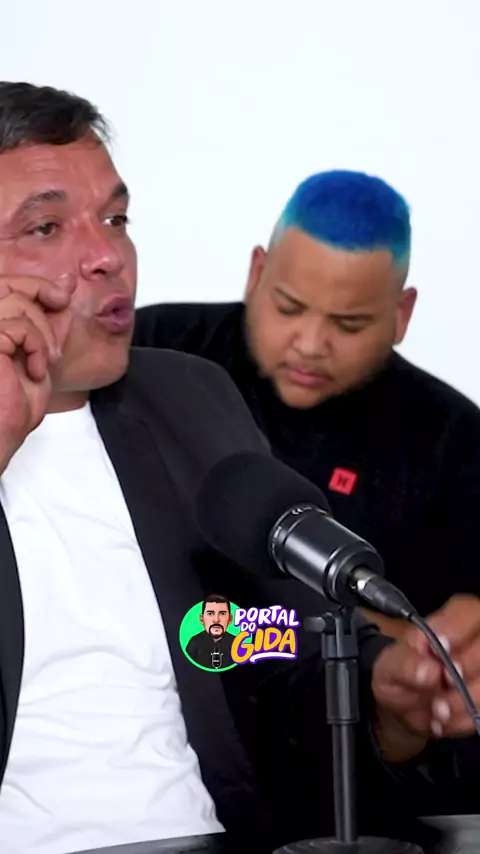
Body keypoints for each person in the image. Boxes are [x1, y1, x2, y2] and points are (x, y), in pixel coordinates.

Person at [0, 81, 477, 854]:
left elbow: (269, 650)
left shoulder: (186, 397)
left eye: (116, 220)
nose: (107, 256)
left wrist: (384, 697)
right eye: (47, 227)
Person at [134, 169, 480, 637]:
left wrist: (435, 650)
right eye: (289, 308)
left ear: (401, 315)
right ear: (256, 273)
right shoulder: (153, 351)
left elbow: (454, 635)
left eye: (349, 325)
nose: (311, 344)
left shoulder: (453, 441)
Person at [186, 595, 235, 670]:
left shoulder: (237, 643)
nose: (216, 620)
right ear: (202, 619)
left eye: (222, 613)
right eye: (210, 614)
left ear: (230, 618)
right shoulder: (194, 642)